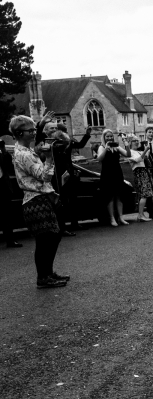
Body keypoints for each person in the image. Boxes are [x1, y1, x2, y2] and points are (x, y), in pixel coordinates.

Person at [9, 115, 69, 288]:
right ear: (20, 133)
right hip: (35, 200)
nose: (35, 133)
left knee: (53, 236)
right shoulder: (23, 154)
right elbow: (44, 176)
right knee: (46, 239)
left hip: (39, 198)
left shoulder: (26, 151)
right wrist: (49, 159)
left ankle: (47, 272)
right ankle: (43, 277)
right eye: (31, 130)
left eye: (34, 129)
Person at [48, 124, 92, 232]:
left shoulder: (68, 142)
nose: (66, 133)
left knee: (72, 199)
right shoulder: (54, 144)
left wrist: (87, 135)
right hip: (58, 175)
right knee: (62, 200)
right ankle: (62, 227)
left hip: (69, 174)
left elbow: (80, 145)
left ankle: (74, 223)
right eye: (64, 131)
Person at [97, 129, 131, 227]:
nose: (109, 138)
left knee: (119, 196)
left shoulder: (116, 147)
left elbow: (128, 154)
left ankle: (121, 217)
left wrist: (126, 144)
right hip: (107, 175)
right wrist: (106, 149)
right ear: (104, 137)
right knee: (110, 196)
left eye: (111, 136)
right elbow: (99, 159)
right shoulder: (101, 147)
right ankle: (112, 218)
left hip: (117, 173)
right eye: (107, 136)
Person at [127, 135, 153, 222]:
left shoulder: (138, 151)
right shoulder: (130, 152)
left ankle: (141, 214)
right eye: (134, 141)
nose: (137, 142)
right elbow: (137, 160)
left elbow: (145, 157)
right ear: (130, 142)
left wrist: (146, 148)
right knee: (144, 194)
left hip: (144, 172)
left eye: (137, 140)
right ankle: (140, 215)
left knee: (144, 195)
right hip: (139, 173)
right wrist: (145, 150)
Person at [0, 137, 22, 248]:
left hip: (3, 188)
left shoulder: (2, 155)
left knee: (7, 215)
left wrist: (3, 149)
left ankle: (10, 240)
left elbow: (8, 164)